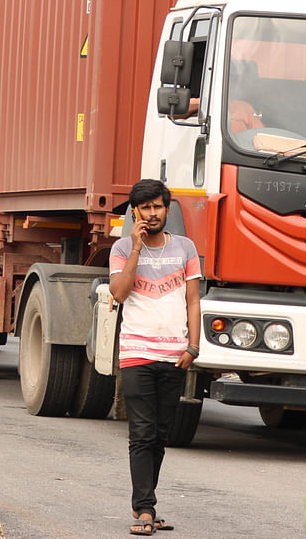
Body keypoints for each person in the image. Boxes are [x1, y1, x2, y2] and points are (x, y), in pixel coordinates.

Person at [109, 178, 201, 537]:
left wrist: (193, 346)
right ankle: (143, 508)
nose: (152, 214)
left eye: (157, 207)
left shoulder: (185, 248)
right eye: (145, 208)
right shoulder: (120, 248)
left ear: (166, 209)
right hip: (136, 352)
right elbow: (119, 292)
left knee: (161, 435)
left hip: (173, 355)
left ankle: (146, 502)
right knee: (142, 433)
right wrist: (134, 248)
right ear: (135, 212)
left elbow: (193, 300)